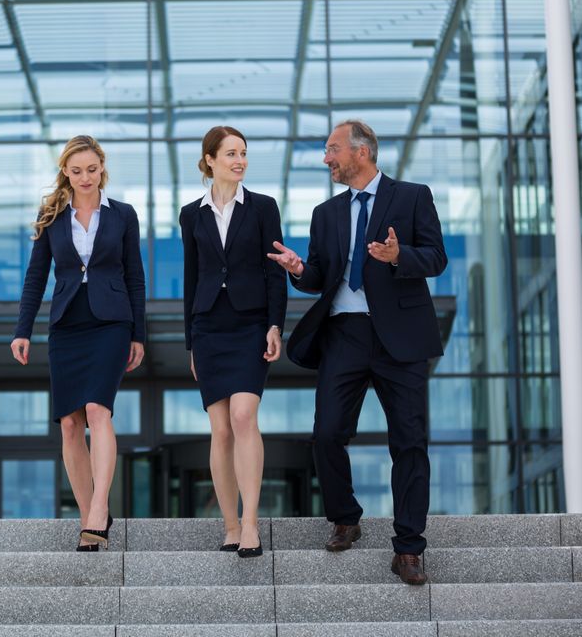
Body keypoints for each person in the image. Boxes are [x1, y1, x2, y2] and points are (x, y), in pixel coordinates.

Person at [268, 119, 447, 585]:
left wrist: (398, 256)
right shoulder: (326, 213)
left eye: (332, 150)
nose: (326, 159)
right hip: (344, 333)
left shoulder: (412, 196)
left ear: (361, 152)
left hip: (400, 338)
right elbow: (319, 277)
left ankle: (409, 548)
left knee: (409, 442)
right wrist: (298, 268)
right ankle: (345, 517)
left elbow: (435, 257)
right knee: (326, 434)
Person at [12, 135, 146, 551]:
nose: (85, 177)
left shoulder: (123, 214)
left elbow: (135, 277)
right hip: (67, 324)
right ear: (66, 173)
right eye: (76, 171)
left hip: (110, 323)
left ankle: (100, 508)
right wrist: (23, 329)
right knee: (69, 423)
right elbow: (36, 277)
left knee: (96, 411)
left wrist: (138, 333)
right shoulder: (51, 216)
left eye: (91, 169)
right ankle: (90, 519)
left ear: (101, 167)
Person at [180, 126, 286, 558]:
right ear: (210, 160)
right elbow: (191, 278)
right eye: (230, 154)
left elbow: (275, 271)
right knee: (220, 430)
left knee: (244, 417)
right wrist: (190, 342)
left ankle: (250, 523)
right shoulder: (192, 214)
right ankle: (227, 524)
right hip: (208, 328)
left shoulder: (262, 207)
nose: (239, 160)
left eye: (243, 153)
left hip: (249, 325)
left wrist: (276, 325)